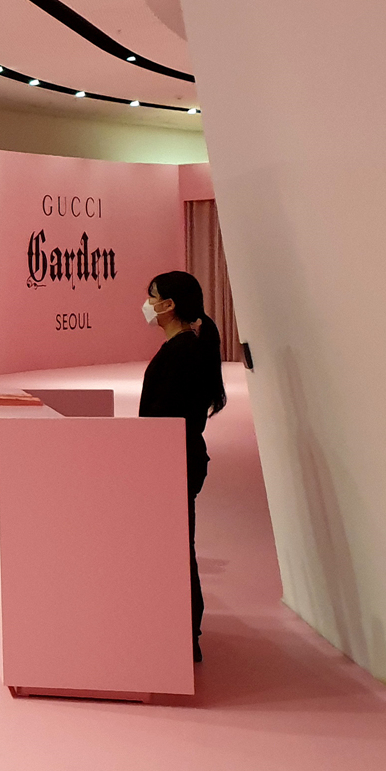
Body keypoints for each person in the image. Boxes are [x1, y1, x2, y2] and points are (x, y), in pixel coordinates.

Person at [138, 270, 228, 663]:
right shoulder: (185, 348)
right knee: (177, 545)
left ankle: (185, 631)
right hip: (177, 459)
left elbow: (167, 417)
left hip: (174, 461)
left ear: (169, 304)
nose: (147, 304)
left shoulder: (182, 353)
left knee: (176, 547)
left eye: (152, 296)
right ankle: (183, 628)